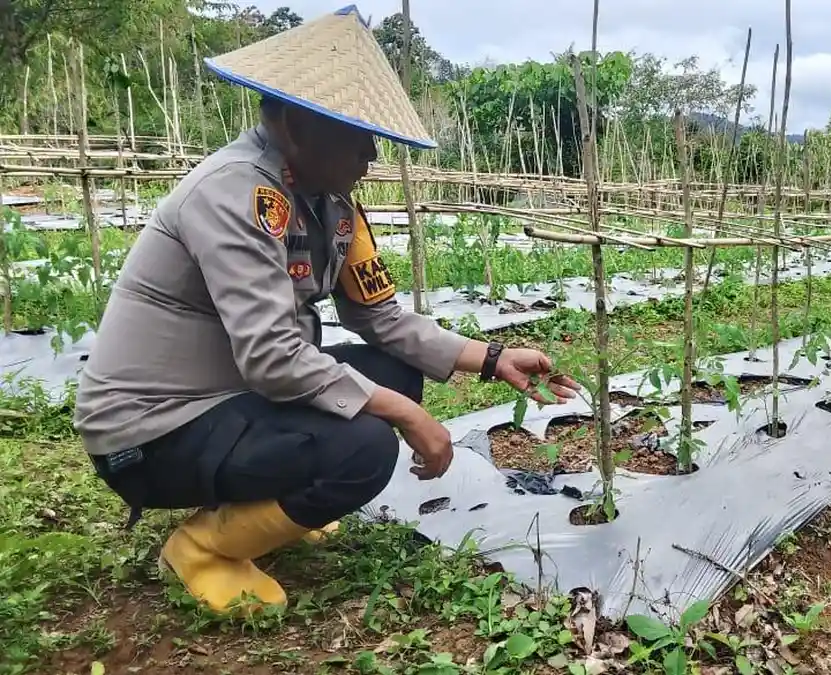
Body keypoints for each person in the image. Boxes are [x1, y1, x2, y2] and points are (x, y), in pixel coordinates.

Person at [72, 7, 579, 615]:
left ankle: (260, 512)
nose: (371, 154)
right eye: (357, 135)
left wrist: (493, 358)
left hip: (229, 398)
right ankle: (203, 549)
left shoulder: (332, 205)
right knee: (366, 446)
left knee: (392, 373)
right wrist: (408, 416)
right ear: (295, 124)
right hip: (154, 430)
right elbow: (272, 357)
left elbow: (382, 319)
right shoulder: (233, 194)